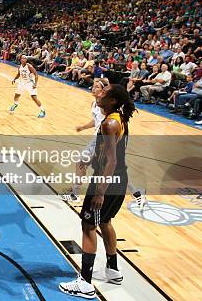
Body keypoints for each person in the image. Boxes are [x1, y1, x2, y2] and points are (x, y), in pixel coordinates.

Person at [59, 84, 136, 299]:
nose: (98, 93)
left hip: (107, 182)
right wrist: (92, 159)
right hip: (119, 179)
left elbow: (111, 160)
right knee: (105, 221)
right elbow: (114, 153)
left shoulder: (110, 123)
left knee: (88, 226)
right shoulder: (118, 117)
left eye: (103, 92)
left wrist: (100, 192)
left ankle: (85, 283)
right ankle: (112, 270)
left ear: (112, 100)